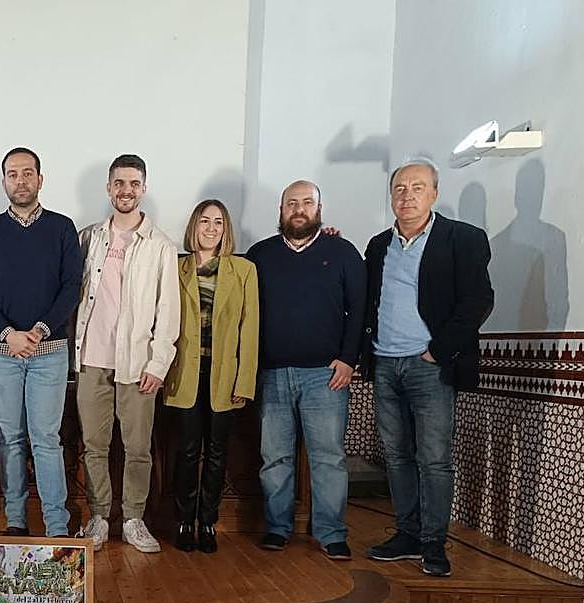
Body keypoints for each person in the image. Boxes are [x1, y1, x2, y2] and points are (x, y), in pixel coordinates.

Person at [363, 158, 494, 577]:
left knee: (434, 458)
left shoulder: (462, 239)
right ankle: (407, 532)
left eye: (417, 187)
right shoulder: (378, 244)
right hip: (385, 363)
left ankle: (434, 543)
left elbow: (478, 300)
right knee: (397, 456)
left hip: (429, 367)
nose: (407, 196)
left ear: (435, 193)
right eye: (400, 188)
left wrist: (439, 351)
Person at [246, 180, 365, 559]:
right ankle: (278, 528)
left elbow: (360, 310)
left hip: (326, 377)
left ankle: (331, 533)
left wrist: (349, 358)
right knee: (274, 458)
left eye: (307, 202)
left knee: (328, 458)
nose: (299, 209)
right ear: (281, 211)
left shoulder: (343, 252)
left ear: (319, 208)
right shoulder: (259, 255)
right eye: (291, 203)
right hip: (272, 374)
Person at [73, 154, 179, 553]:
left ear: (144, 188)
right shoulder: (89, 239)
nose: (126, 191)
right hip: (92, 360)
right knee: (93, 446)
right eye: (119, 183)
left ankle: (134, 519)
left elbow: (168, 311)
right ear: (108, 188)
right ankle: (100, 518)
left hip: (137, 365)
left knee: (138, 449)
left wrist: (159, 363)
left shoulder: (160, 247)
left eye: (133, 183)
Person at [0, 148, 81, 538]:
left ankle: (57, 527)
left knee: (46, 440)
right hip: (2, 352)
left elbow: (71, 287)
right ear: (4, 181)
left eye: (27, 173)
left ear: (40, 179)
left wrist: (37, 331)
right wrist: (8, 334)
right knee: (11, 438)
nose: (20, 180)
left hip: (48, 350)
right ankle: (16, 522)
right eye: (13, 174)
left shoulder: (62, 228)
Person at [164, 199, 259, 553]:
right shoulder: (176, 267)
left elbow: (249, 330)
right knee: (187, 450)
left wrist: (244, 382)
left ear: (226, 230)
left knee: (218, 452)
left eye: (218, 222)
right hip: (185, 372)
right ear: (194, 226)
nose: (211, 228)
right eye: (205, 221)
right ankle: (184, 520)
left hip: (225, 375)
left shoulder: (243, 270)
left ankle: (208, 521)